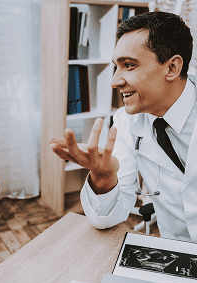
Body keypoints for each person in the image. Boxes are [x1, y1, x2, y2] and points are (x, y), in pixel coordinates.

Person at [49, 11, 197, 242]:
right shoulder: (127, 122)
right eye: (116, 66)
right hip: (177, 251)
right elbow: (106, 218)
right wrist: (103, 177)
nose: (114, 81)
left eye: (129, 65)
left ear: (172, 68)